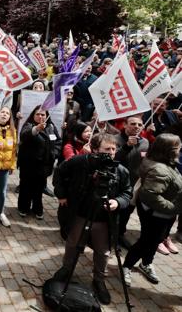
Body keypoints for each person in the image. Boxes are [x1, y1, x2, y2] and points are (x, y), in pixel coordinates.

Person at [52, 133, 132, 305]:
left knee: (103, 252)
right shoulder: (80, 162)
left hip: (104, 219)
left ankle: (99, 280)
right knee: (73, 243)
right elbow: (59, 172)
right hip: (80, 214)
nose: (111, 152)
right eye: (106, 149)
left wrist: (117, 202)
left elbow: (127, 193)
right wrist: (61, 194)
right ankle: (66, 269)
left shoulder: (121, 170)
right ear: (95, 149)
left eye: (113, 149)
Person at [122, 134, 182, 286]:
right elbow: (150, 195)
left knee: (155, 240)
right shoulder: (160, 168)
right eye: (178, 148)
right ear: (170, 150)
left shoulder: (163, 162)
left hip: (163, 213)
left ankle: (147, 262)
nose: (180, 151)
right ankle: (127, 266)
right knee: (147, 241)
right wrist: (172, 208)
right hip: (157, 212)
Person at [17, 105, 61, 219]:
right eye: (37, 114)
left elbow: (58, 142)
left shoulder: (51, 126)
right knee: (25, 187)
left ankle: (37, 209)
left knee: (39, 189)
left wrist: (54, 154)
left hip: (44, 166)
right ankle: (23, 208)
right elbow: (24, 136)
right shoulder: (28, 125)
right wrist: (36, 129)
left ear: (47, 116)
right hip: (28, 165)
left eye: (43, 114)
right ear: (33, 115)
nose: (40, 116)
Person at [114, 116, 149, 246]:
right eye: (133, 124)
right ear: (124, 125)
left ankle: (120, 234)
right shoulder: (115, 139)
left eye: (140, 124)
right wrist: (127, 146)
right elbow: (114, 159)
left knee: (127, 211)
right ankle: (111, 235)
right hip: (118, 183)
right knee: (116, 211)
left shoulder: (145, 142)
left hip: (134, 184)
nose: (136, 127)